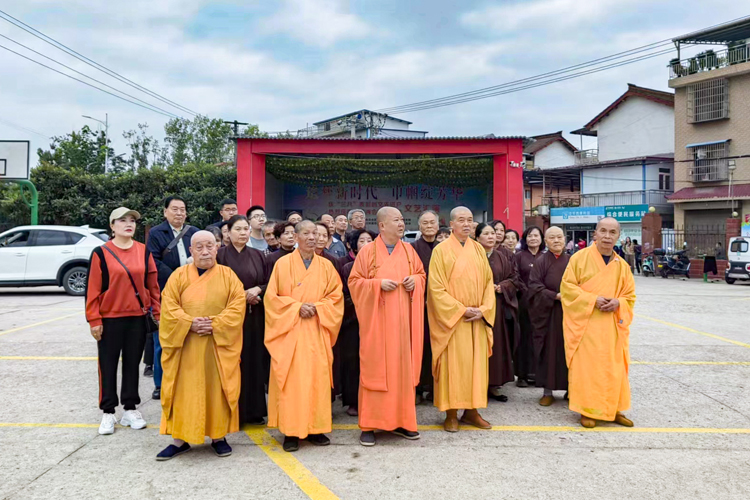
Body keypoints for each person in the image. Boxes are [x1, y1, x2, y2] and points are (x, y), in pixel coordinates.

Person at [156, 231, 246, 460]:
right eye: (199, 247)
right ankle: (179, 440)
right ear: (191, 250)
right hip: (186, 346)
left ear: (217, 248)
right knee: (182, 391)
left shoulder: (228, 275)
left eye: (209, 246)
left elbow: (237, 307)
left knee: (216, 390)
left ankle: (218, 437)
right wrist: (189, 324)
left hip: (217, 346)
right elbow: (168, 306)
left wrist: (215, 324)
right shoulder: (178, 275)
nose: (205, 251)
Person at [264, 220, 344, 452]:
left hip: (317, 330)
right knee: (291, 382)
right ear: (296, 237)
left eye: (316, 234)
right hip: (290, 332)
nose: (312, 238)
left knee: (316, 381)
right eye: (307, 233)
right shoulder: (282, 264)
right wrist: (295, 307)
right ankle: (291, 431)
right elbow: (272, 299)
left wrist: (317, 307)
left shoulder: (327, 266)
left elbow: (335, 297)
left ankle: (316, 428)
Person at [349, 207, 426, 447]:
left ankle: (404, 421)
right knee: (375, 371)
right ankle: (370, 425)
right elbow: (354, 283)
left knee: (401, 372)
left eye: (403, 220)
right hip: (377, 325)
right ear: (382, 226)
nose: (402, 224)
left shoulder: (410, 251)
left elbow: (422, 276)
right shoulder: (368, 252)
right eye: (396, 220)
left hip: (403, 326)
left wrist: (416, 281)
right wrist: (378, 284)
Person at [86, 207, 160, 435]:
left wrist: (157, 312)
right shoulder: (101, 252)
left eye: (132, 220)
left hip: (137, 318)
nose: (129, 224)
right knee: (107, 365)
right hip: (109, 319)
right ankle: (108, 411)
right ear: (112, 225)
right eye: (122, 220)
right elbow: (92, 289)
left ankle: (130, 408)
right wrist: (94, 319)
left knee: (132, 365)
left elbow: (153, 286)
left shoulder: (143, 251)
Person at [561, 217, 636, 429]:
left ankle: (614, 409)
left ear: (618, 236)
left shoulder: (622, 266)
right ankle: (587, 410)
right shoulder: (579, 259)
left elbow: (630, 296)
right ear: (595, 233)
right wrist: (592, 299)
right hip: (586, 324)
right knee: (588, 368)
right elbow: (567, 289)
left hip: (612, 327)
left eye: (612, 232)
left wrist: (618, 302)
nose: (607, 236)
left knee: (614, 368)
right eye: (603, 231)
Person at [428, 206, 495, 432]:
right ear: (452, 224)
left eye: (470, 220)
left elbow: (488, 283)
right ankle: (451, 413)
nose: (467, 224)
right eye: (461, 220)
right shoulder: (440, 250)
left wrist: (484, 309)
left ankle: (473, 411)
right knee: (453, 367)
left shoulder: (478, 249)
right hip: (454, 321)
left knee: (476, 367)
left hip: (476, 319)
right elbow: (436, 289)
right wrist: (460, 309)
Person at [216, 215, 269, 426]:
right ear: (227, 232)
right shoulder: (219, 256)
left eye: (246, 229)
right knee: (231, 363)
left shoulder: (258, 255)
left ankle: (254, 412)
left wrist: (258, 290)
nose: (243, 233)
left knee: (254, 361)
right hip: (228, 319)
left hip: (253, 316)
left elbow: (268, 282)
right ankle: (231, 410)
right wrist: (240, 296)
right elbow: (214, 285)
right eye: (237, 229)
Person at [147, 196, 199, 400]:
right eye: (175, 209)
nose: (179, 213)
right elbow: (153, 261)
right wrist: (178, 277)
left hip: (192, 292)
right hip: (166, 290)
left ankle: (187, 379)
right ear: (165, 212)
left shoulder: (194, 232)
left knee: (190, 338)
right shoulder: (156, 233)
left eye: (183, 209)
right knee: (163, 340)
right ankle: (160, 383)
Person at [475, 222, 518, 402]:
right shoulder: (471, 255)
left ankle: (493, 385)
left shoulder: (501, 257)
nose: (491, 236)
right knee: (476, 346)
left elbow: (513, 279)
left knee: (496, 345)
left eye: (493, 233)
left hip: (497, 308)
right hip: (476, 308)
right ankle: (475, 386)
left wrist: (501, 287)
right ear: (477, 237)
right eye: (486, 234)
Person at [529, 227, 570, 407]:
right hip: (548, 313)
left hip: (570, 313)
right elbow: (534, 286)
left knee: (570, 350)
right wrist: (554, 296)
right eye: (552, 237)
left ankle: (572, 389)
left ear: (565, 239)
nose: (556, 240)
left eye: (559, 237)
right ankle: (547, 391)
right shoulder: (541, 261)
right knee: (547, 350)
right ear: (546, 241)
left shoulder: (573, 260)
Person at [338, 228, 376, 417]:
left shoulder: (380, 265)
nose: (366, 244)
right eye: (362, 241)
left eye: (370, 240)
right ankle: (353, 401)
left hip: (376, 320)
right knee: (353, 361)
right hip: (353, 321)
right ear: (353, 245)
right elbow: (343, 296)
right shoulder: (347, 268)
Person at [411, 210, 439, 402]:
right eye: (425, 223)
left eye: (432, 223)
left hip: (440, 308)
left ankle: (436, 387)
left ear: (438, 226)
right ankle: (418, 387)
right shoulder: (411, 249)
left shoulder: (444, 248)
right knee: (418, 345)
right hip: (417, 307)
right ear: (419, 226)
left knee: (437, 346)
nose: (429, 226)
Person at [514, 226, 545, 390]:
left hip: (543, 303)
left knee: (540, 338)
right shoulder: (519, 257)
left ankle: (539, 373)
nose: (533, 238)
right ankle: (522, 374)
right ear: (525, 239)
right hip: (524, 303)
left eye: (537, 236)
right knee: (524, 338)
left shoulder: (545, 257)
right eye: (530, 236)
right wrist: (528, 292)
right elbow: (515, 277)